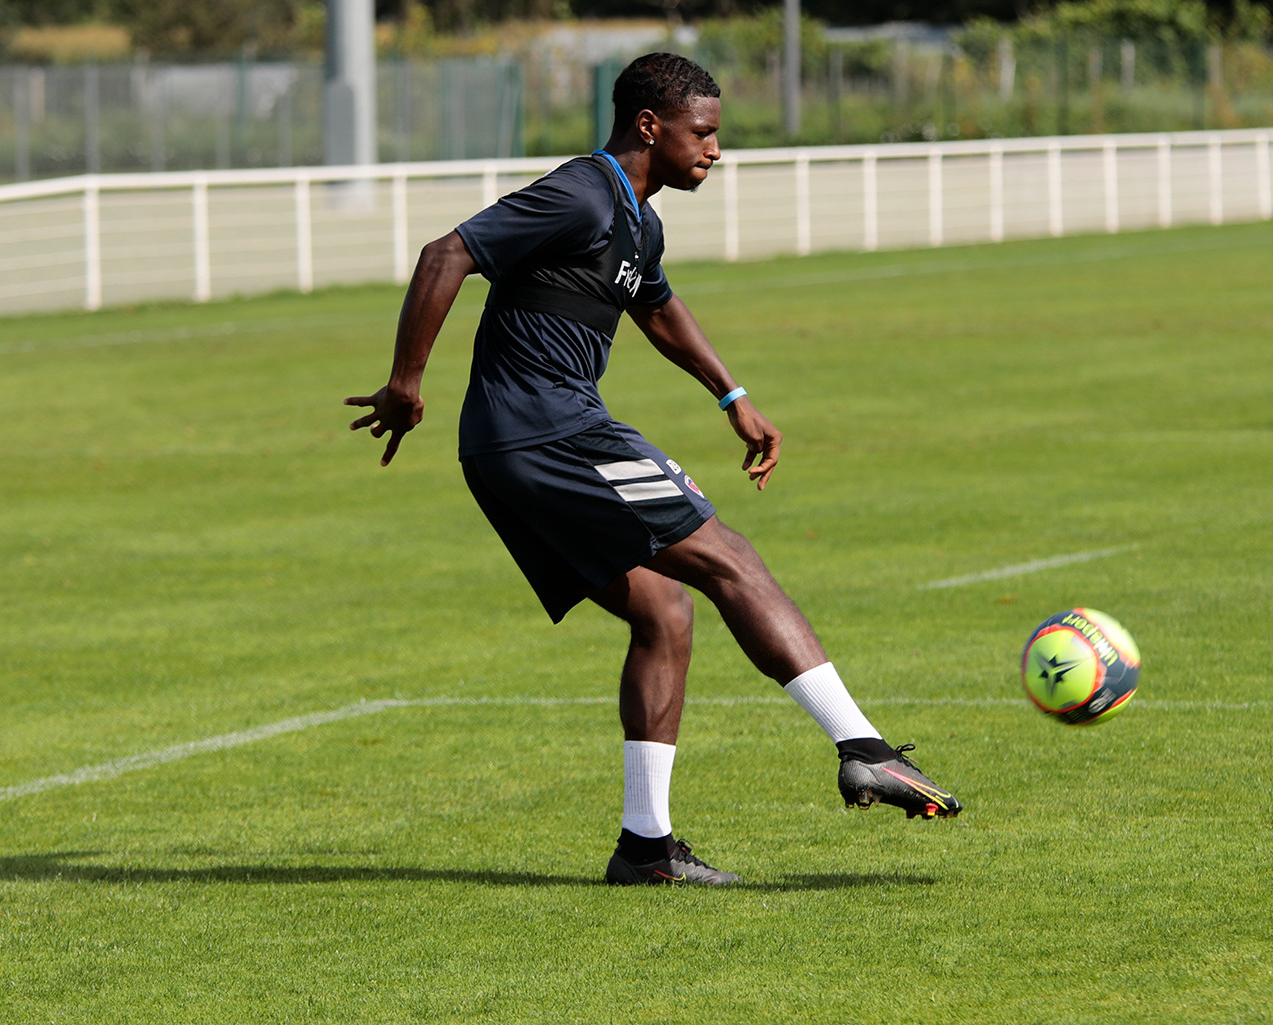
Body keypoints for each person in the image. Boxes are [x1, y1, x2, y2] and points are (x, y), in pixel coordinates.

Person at [345, 53, 961, 887]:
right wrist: (407, 382)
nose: (714, 150)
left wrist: (731, 395)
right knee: (729, 558)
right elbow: (445, 253)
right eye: (702, 134)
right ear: (650, 127)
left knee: (664, 611)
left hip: (518, 447)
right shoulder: (583, 192)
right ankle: (864, 748)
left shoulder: (638, 219)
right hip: (551, 434)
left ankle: (645, 849)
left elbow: (657, 307)